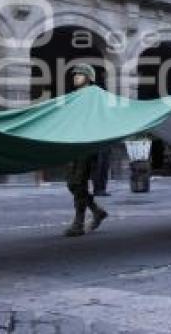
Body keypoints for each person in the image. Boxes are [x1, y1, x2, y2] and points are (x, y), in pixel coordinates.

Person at [63, 63, 109, 237]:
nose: (76, 77)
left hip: (87, 145)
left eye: (80, 74)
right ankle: (96, 211)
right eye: (75, 74)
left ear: (89, 78)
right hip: (74, 144)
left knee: (79, 182)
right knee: (72, 183)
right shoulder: (73, 96)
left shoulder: (95, 95)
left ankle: (78, 223)